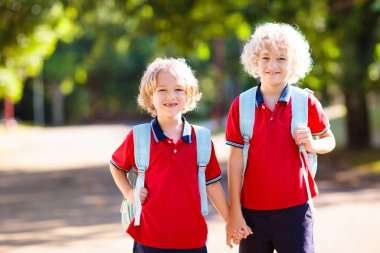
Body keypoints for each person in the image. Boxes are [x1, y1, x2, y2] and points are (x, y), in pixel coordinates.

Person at [225, 22, 336, 253]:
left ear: (294, 64)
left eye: (281, 58)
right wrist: (235, 212)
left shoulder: (305, 102)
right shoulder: (241, 105)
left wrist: (313, 144)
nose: (272, 65)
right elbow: (235, 162)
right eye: (265, 58)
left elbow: (329, 140)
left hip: (296, 210)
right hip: (252, 213)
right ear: (255, 61)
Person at [109, 57, 230, 253]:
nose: (170, 96)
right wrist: (129, 193)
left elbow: (212, 183)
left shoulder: (201, 139)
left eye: (178, 89)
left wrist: (230, 221)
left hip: (192, 240)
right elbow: (116, 166)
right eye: (162, 90)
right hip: (149, 239)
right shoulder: (139, 136)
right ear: (150, 96)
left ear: (188, 94)